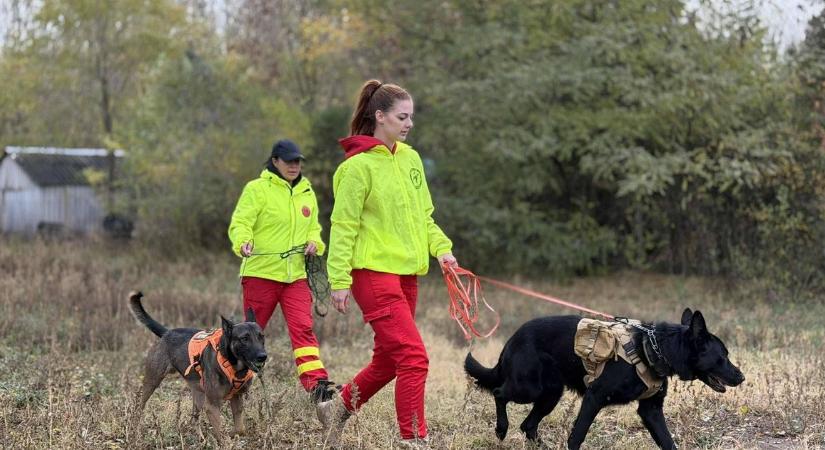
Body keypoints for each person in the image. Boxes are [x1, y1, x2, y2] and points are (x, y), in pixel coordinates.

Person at [324, 80, 458, 447]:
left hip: (406, 276)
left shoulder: (411, 159)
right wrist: (339, 279)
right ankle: (413, 439)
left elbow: (423, 217)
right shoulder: (356, 168)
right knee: (414, 358)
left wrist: (442, 250)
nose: (409, 123)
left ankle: (336, 409)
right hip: (372, 275)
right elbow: (343, 226)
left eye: (411, 116)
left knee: (388, 361)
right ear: (380, 117)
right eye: (402, 117)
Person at [228, 139, 337, 419]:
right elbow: (241, 223)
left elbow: (314, 228)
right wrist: (242, 242)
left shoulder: (306, 191)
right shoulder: (256, 189)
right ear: (275, 161)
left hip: (296, 277)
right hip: (260, 274)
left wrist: (315, 243)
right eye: (289, 161)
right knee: (248, 335)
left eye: (298, 161)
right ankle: (234, 383)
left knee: (304, 330)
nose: (294, 166)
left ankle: (318, 387)